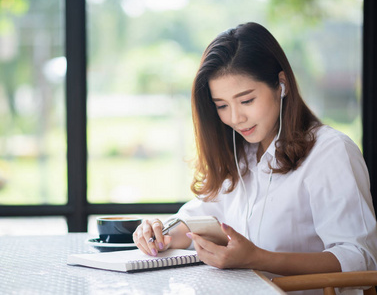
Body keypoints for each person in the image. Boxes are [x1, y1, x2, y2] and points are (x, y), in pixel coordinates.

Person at [133, 22, 377, 284]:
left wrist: (258, 258)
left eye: (247, 100)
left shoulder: (330, 151)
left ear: (281, 85)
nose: (236, 118)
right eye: (222, 105)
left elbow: (360, 260)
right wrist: (160, 233)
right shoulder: (241, 154)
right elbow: (198, 220)